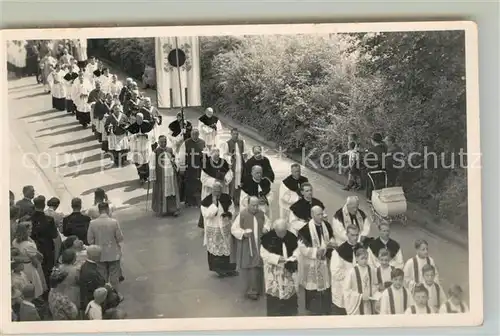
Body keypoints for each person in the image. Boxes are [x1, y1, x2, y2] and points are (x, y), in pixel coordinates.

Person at [231, 196, 272, 300]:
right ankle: (251, 291)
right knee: (250, 268)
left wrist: (266, 229)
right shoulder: (242, 215)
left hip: (259, 244)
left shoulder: (261, 214)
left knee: (259, 266)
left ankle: (260, 289)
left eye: (256, 205)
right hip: (248, 245)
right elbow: (234, 229)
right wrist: (243, 234)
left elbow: (268, 222)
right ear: (248, 204)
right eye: (253, 205)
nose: (255, 207)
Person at [297, 206, 335, 315]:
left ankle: (326, 307)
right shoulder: (304, 230)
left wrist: (331, 244)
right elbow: (302, 248)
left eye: (322, 214)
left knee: (326, 283)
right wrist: (315, 252)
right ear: (312, 215)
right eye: (318, 214)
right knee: (312, 285)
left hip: (324, 260)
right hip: (312, 262)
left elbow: (331, 237)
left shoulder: (326, 225)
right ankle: (313, 308)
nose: (321, 216)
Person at [260, 219, 299, 316]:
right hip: (274, 272)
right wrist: (277, 258)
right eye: (280, 232)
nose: (282, 234)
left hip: (288, 270)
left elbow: (297, 250)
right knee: (275, 295)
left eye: (284, 232)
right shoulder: (267, 239)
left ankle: (290, 313)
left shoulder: (291, 236)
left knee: (289, 292)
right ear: (275, 230)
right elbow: (264, 254)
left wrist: (293, 258)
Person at [200, 182, 237, 277]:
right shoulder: (206, 201)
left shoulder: (227, 198)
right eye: (215, 191)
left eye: (218, 191)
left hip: (225, 226)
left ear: (221, 190)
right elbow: (207, 214)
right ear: (212, 190)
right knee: (216, 249)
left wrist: (228, 214)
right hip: (213, 228)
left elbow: (232, 209)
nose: (217, 193)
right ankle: (219, 269)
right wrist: (214, 204)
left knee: (227, 248)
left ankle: (229, 269)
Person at [87, 203, 124, 289]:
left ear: (99, 211)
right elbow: (120, 238)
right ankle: (115, 294)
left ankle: (105, 294)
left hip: (99, 254)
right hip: (113, 253)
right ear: (107, 210)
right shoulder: (114, 222)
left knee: (102, 276)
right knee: (114, 275)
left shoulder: (92, 223)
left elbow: (90, 240)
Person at [329, 225, 362, 315]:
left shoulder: (362, 249)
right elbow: (336, 273)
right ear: (347, 234)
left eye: (357, 235)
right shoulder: (338, 252)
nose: (355, 238)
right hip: (342, 289)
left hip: (357, 290)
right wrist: (352, 275)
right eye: (352, 235)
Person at [30, 195, 60, 289]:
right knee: (47, 271)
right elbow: (54, 235)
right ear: (43, 206)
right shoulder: (49, 220)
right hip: (46, 248)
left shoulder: (28, 218)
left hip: (33, 248)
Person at [79, 245, 120, 312]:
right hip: (93, 299)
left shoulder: (86, 265)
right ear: (97, 257)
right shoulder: (92, 272)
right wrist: (107, 287)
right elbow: (97, 289)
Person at [12, 223, 46, 299]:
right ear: (25, 231)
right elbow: (35, 258)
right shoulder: (28, 245)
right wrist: (37, 265)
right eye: (29, 229)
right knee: (34, 286)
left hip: (20, 266)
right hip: (29, 268)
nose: (31, 231)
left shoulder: (14, 241)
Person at [150, 135, 181, 217]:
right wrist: (153, 176)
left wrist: (175, 163)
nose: (163, 143)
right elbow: (152, 165)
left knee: (172, 191)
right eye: (161, 141)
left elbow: (176, 159)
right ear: (158, 142)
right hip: (161, 175)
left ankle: (174, 209)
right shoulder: (155, 152)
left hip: (171, 174)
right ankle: (163, 210)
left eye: (165, 141)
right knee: (162, 191)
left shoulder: (170, 149)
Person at [342, 247, 378, 315]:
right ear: (356, 258)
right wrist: (360, 297)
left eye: (366, 258)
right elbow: (346, 290)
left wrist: (372, 293)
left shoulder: (371, 270)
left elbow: (374, 284)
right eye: (362, 258)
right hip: (357, 305)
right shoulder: (352, 272)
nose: (365, 260)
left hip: (369, 303)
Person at [177, 128, 206, 207]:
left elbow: (206, 153)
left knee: (198, 184)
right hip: (189, 167)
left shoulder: (202, 142)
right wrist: (182, 167)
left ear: (198, 134)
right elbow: (182, 156)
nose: (195, 136)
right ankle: (189, 201)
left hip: (199, 167)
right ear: (190, 134)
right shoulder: (186, 143)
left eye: (196, 134)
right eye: (193, 134)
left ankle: (198, 201)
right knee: (189, 184)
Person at [220, 128, 247, 206]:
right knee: (232, 184)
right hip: (232, 167)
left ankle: (238, 200)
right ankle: (231, 200)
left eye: (237, 134)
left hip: (240, 166)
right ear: (231, 134)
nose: (236, 135)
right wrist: (230, 157)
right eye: (234, 134)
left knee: (240, 183)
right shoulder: (227, 143)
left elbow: (245, 153)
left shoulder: (242, 142)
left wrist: (245, 156)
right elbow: (224, 155)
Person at [127, 112, 155, 183]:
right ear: (136, 118)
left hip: (145, 146)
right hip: (136, 147)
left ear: (143, 118)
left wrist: (146, 135)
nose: (140, 120)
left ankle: (147, 176)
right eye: (138, 118)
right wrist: (135, 135)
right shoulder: (133, 126)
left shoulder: (147, 125)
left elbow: (152, 135)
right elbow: (129, 137)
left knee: (146, 163)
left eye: (141, 118)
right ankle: (141, 177)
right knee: (138, 163)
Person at [364, 132, 388, 201]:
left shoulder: (372, 150)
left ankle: (370, 198)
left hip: (373, 170)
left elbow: (367, 161)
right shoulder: (385, 149)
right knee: (380, 186)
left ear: (372, 140)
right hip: (382, 170)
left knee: (371, 185)